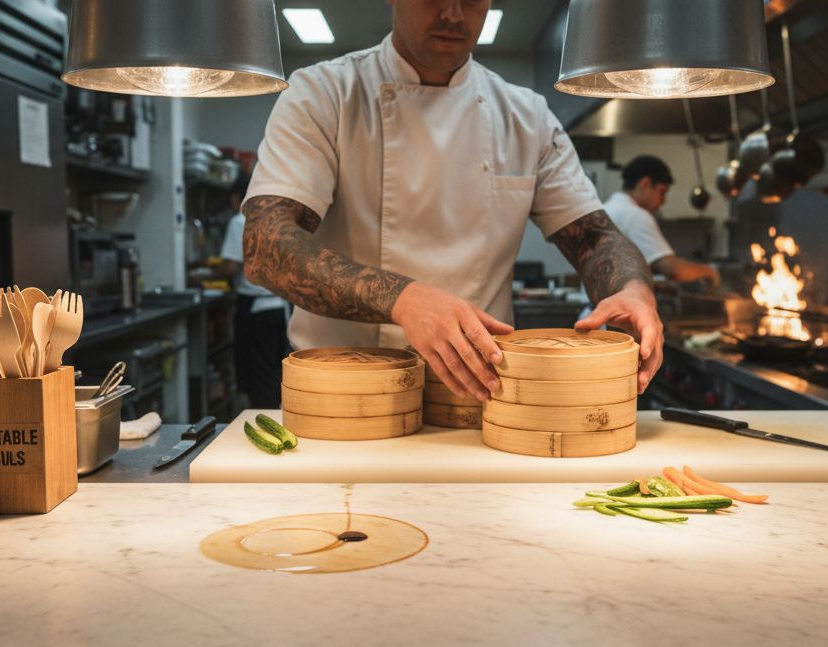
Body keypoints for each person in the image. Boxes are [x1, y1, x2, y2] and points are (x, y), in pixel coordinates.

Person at [242, 0, 663, 402]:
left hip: (479, 396)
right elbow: (266, 245)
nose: (452, 14)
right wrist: (403, 299)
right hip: (343, 394)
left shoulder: (526, 117)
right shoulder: (323, 94)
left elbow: (594, 237)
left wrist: (633, 289)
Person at [216, 173, 288, 408]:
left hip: (255, 309)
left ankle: (265, 421)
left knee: (257, 376)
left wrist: (208, 274)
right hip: (279, 306)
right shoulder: (274, 220)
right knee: (273, 371)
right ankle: (278, 418)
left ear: (235, 197)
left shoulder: (240, 220)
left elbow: (230, 266)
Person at [603, 155, 722, 288]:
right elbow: (673, 270)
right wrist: (708, 271)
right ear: (645, 184)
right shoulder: (634, 215)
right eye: (662, 192)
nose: (663, 201)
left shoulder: (608, 208)